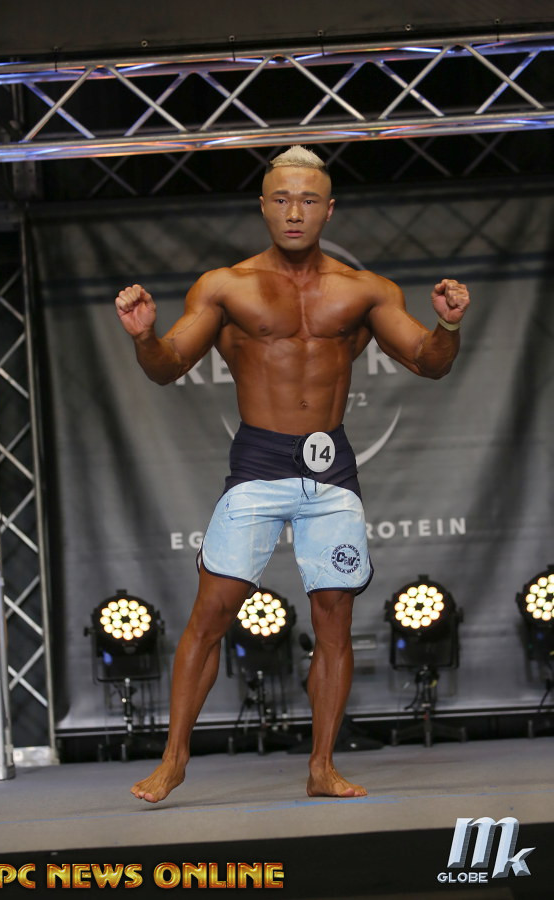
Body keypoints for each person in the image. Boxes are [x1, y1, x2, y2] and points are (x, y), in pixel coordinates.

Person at [114, 145, 470, 803]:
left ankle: (322, 766)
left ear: (329, 209)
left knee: (334, 621)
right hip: (258, 463)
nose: (295, 212)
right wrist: (143, 337)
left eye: (308, 200)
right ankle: (173, 760)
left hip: (331, 470)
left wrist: (447, 325)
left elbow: (430, 361)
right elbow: (168, 367)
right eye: (281, 199)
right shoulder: (225, 286)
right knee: (211, 612)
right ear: (263, 207)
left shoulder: (364, 290)